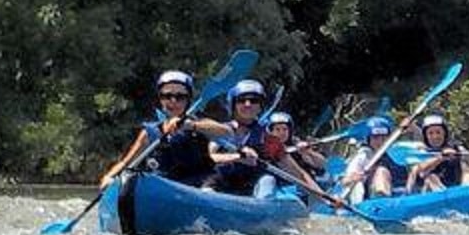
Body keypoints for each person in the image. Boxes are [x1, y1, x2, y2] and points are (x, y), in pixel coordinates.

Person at [100, 70, 232, 188]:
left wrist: (190, 125)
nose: (173, 101)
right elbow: (126, 163)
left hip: (198, 186)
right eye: (167, 96)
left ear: (188, 100)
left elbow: (226, 131)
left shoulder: (199, 124)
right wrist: (109, 177)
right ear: (160, 98)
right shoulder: (150, 132)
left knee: (212, 185)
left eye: (180, 97)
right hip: (163, 188)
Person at [205, 80, 326, 199]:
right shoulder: (222, 130)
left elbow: (298, 174)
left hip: (249, 193)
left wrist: (325, 197)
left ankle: (260, 209)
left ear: (260, 106)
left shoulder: (269, 140)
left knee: (268, 180)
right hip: (217, 185)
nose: (248, 104)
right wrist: (238, 157)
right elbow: (208, 158)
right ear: (234, 105)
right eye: (241, 100)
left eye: (254, 100)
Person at [405, 114, 469, 194]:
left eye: (438, 132)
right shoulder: (420, 151)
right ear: (426, 136)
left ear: (444, 134)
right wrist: (441, 157)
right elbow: (420, 170)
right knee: (431, 178)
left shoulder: (456, 150)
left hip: (454, 192)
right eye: (430, 133)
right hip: (427, 194)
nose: (435, 136)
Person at [338, 117, 412, 201]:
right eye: (375, 138)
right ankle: (383, 200)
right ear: (368, 139)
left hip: (402, 195)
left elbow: (425, 150)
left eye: (384, 138)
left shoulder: (397, 151)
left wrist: (414, 128)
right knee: (381, 171)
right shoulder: (364, 156)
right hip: (374, 198)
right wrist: (353, 178)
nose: (380, 142)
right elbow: (345, 181)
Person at [263, 111, 328, 181]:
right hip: (281, 185)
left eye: (285, 129)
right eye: (277, 130)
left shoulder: (297, 144)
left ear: (289, 131)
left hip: (305, 183)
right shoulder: (266, 148)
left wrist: (308, 152)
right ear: (271, 132)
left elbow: (323, 164)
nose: (282, 133)